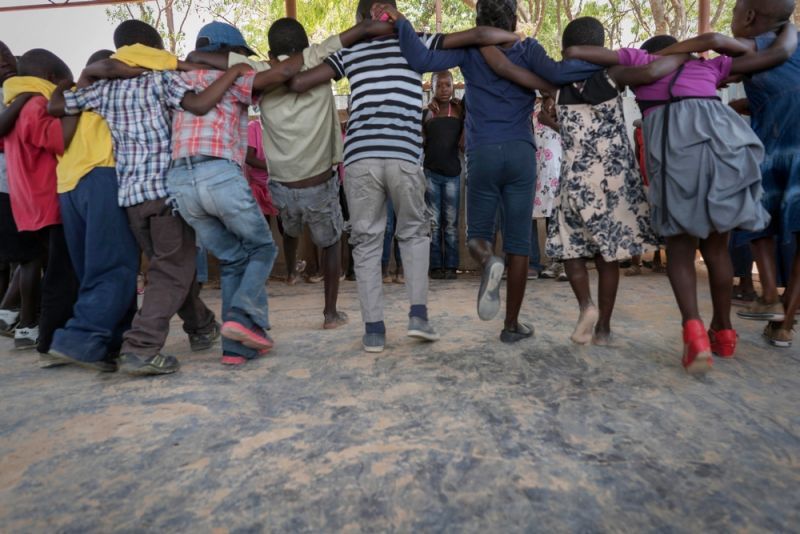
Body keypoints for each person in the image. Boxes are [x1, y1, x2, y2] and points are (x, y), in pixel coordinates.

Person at [562, 20, 796, 370]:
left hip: (677, 157)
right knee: (717, 248)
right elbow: (776, 53)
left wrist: (656, 59)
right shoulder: (710, 65)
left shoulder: (640, 62)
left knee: (681, 249)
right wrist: (787, 25)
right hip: (725, 151)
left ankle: (695, 332)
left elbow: (577, 51)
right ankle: (725, 333)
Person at [285, 0, 518, 351]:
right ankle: (418, 316)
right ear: (394, 16)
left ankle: (374, 331)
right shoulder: (415, 41)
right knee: (414, 233)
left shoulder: (350, 49)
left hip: (361, 156)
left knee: (366, 241)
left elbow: (300, 81)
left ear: (360, 20)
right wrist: (516, 38)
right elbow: (477, 35)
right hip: (404, 153)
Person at [375, 0, 600, 343]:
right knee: (519, 244)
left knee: (478, 236)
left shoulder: (470, 50)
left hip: (483, 151)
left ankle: (487, 261)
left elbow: (420, 60)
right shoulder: (527, 48)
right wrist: (601, 62)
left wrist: (402, 24)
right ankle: (511, 324)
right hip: (521, 152)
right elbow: (556, 73)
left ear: (479, 20)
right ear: (511, 19)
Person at [47, 20, 249, 374]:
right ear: (156, 52)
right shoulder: (161, 80)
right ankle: (141, 347)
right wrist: (231, 76)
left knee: (167, 268)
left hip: (131, 200)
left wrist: (78, 77)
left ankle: (201, 326)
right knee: (172, 272)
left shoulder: (104, 92)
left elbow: (57, 108)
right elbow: (200, 106)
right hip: (166, 195)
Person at [188, 17, 394, 330]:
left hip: (280, 186)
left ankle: (290, 273)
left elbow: (210, 58)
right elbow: (346, 39)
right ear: (306, 46)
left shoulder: (257, 70)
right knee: (331, 241)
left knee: (289, 231)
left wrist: (187, 59)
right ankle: (330, 314)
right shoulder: (319, 60)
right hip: (320, 182)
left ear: (270, 52)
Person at [485, 17, 672, 345]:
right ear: (601, 48)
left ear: (565, 51)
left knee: (571, 251)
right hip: (613, 179)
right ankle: (604, 329)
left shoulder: (556, 84)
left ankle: (586, 305)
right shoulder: (615, 76)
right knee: (607, 255)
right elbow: (655, 68)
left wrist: (495, 41)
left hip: (575, 177)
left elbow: (508, 71)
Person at [166, 22, 317, 366]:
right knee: (262, 248)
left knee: (234, 258)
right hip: (218, 173)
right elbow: (283, 72)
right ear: (223, 53)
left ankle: (236, 348)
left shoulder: (177, 80)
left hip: (180, 182)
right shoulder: (232, 78)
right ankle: (242, 314)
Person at [717, 0, 800, 348]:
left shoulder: (759, 44)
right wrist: (740, 106)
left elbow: (723, 66)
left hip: (779, 146)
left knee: (754, 215)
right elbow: (784, 92)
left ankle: (768, 291)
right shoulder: (791, 47)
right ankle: (784, 324)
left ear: (749, 17)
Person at [0, 49, 79, 359]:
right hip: (48, 200)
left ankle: (32, 327)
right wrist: (74, 108)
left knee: (41, 264)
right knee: (59, 270)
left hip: (26, 202)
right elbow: (58, 141)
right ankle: (44, 330)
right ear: (51, 80)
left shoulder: (14, 107)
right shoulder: (35, 105)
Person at [0, 41, 43, 344]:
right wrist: (26, 95)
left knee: (29, 256)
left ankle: (7, 313)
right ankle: (27, 325)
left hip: (21, 187)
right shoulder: (16, 95)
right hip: (7, 188)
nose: (3, 60)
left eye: (4, 53)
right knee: (31, 257)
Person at [423, 70, 464, 280]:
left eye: (448, 85)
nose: (444, 89)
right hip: (431, 173)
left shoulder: (459, 110)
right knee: (434, 223)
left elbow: (466, 138)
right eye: (439, 85)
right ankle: (436, 265)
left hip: (452, 174)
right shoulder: (428, 113)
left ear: (454, 86)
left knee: (451, 223)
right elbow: (422, 141)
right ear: (431, 87)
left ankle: (451, 265)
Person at [532, 95, 563, 281]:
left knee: (557, 216)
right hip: (538, 167)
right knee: (538, 213)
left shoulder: (562, 104)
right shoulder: (535, 107)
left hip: (557, 167)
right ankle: (544, 262)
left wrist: (549, 122)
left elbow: (571, 132)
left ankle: (561, 262)